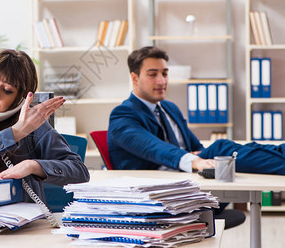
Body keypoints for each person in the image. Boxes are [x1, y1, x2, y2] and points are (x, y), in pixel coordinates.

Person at [108, 46, 285, 175]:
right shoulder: (123, 115)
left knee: (246, 148)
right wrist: (193, 160)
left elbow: (196, 147)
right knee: (222, 148)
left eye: (165, 73)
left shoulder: (169, 109)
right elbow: (153, 148)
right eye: (153, 74)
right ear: (135, 78)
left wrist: (197, 156)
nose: (162, 81)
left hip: (188, 178)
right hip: (156, 189)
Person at [0, 49, 90, 204]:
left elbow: (80, 171)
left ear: (19, 100)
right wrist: (16, 132)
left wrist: (33, 166)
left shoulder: (35, 127)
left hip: (23, 221)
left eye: (7, 90)